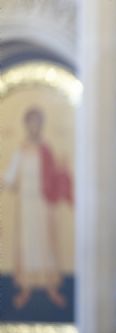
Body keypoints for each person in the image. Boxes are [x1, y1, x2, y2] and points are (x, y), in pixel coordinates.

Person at [1, 106, 72, 309]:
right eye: (31, 122)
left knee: (45, 244)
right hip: (26, 205)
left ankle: (51, 288)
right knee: (28, 244)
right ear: (26, 125)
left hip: (43, 203)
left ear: (41, 125)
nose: (34, 126)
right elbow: (11, 175)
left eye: (37, 122)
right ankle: (26, 288)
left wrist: (62, 169)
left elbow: (53, 176)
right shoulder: (21, 149)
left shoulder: (46, 149)